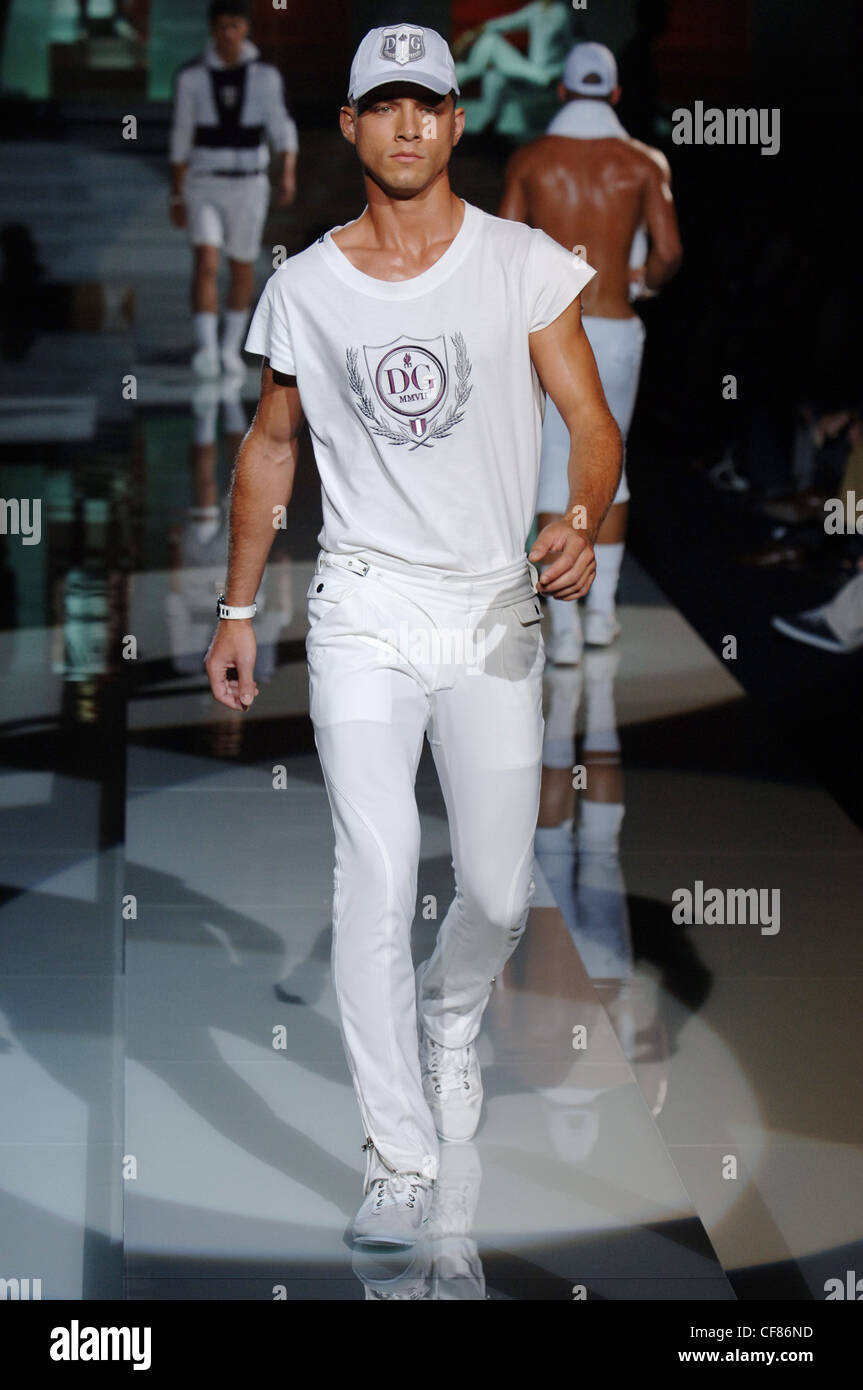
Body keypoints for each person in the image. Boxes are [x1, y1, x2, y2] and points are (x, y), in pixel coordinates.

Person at [204, 21, 621, 1247]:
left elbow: (588, 421)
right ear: (348, 126)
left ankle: (452, 1014)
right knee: (376, 873)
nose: (402, 124)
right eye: (379, 104)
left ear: (451, 123)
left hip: (491, 607)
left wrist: (580, 513)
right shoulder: (305, 285)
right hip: (363, 607)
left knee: (493, 892)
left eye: (423, 105)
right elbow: (271, 449)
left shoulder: (518, 264)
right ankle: (394, 1151)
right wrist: (238, 609)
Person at [500, 41, 682, 661]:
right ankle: (600, 616)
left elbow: (503, 248)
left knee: (554, 464)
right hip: (612, 322)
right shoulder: (641, 161)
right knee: (613, 462)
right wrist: (646, 280)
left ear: (559, 92)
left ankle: (565, 624)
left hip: (547, 327)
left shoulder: (532, 158)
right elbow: (670, 251)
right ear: (614, 93)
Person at [169, 0, 298, 377]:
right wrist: (177, 192)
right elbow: (181, 135)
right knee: (206, 262)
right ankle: (207, 348)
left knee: (242, 267)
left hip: (248, 183)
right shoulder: (191, 77)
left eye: (235, 25)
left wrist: (287, 171)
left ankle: (229, 348)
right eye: (222, 25)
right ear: (212, 29)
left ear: (245, 29)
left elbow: (280, 126)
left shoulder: (265, 77)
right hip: (204, 182)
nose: (228, 33)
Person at [453, 0, 572, 134]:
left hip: (550, 78)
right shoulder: (536, 9)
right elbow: (503, 23)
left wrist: (561, 74)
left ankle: (459, 76)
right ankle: (490, 126)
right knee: (493, 74)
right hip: (532, 75)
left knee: (491, 46)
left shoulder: (563, 13)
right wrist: (468, 36)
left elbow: (572, 46)